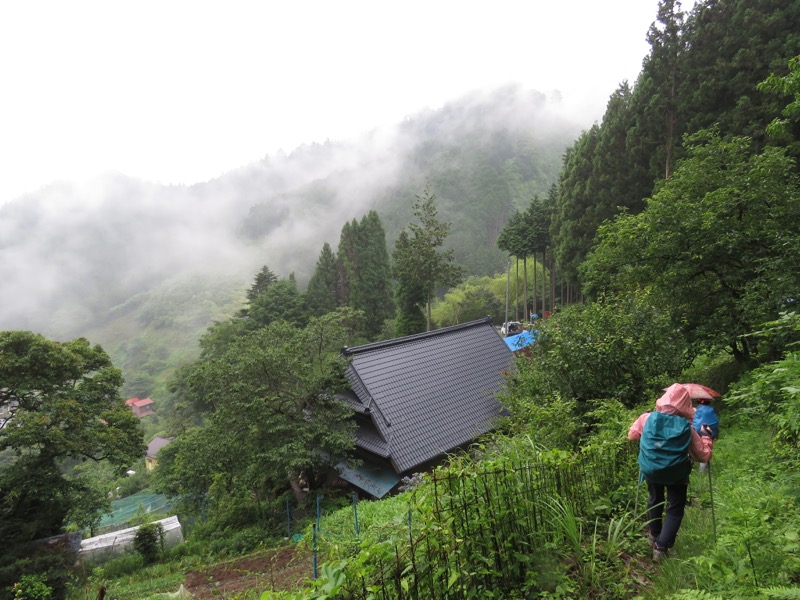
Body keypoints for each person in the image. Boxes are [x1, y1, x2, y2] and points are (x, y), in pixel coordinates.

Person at [628, 383, 714, 562]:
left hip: (651, 468)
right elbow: (703, 456)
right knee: (674, 508)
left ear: (663, 400)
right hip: (676, 473)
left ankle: (653, 535)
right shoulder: (686, 428)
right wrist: (706, 437)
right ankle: (661, 548)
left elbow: (632, 436)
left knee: (654, 500)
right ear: (685, 404)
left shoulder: (646, 418)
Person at [692, 397, 720, 472]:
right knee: (706, 448)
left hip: (695, 432)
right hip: (707, 432)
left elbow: (691, 421)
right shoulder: (711, 410)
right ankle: (703, 469)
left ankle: (690, 465)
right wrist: (715, 433)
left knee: (692, 448)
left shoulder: (694, 410)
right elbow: (715, 422)